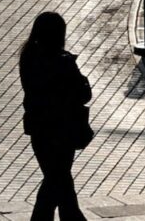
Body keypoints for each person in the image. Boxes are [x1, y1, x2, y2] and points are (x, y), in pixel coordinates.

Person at [20, 12, 92, 221]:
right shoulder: (63, 62)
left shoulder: (28, 57)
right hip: (63, 130)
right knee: (58, 179)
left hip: (39, 129)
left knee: (56, 179)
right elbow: (83, 94)